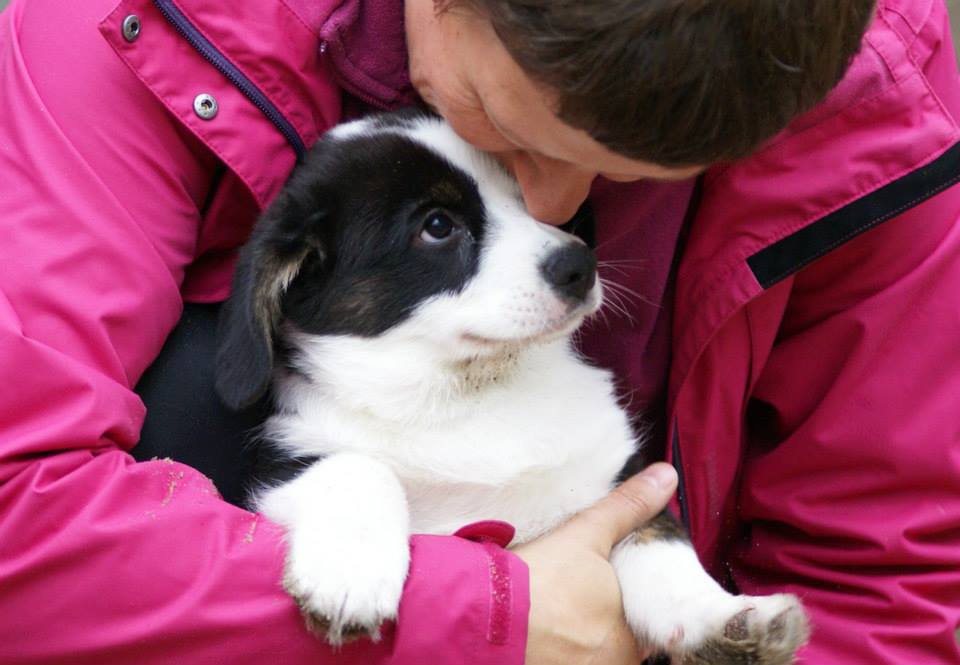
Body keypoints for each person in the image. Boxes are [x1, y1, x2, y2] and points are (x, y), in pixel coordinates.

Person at [1, 0, 958, 662]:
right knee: (200, 385)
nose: (554, 211)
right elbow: (16, 503)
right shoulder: (131, 29)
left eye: (632, 173)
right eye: (500, 132)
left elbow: (885, 572)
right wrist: (489, 619)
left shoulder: (877, 101)